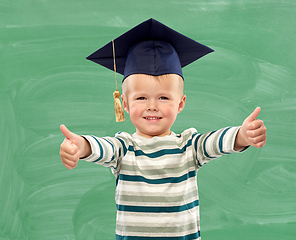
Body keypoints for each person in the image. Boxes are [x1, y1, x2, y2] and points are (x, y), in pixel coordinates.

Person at [59, 19, 266, 240]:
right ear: (125, 105)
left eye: (163, 97)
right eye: (141, 97)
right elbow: (103, 148)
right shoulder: (124, 148)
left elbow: (214, 142)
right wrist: (81, 145)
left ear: (180, 103)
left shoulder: (189, 146)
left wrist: (242, 136)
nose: (152, 105)